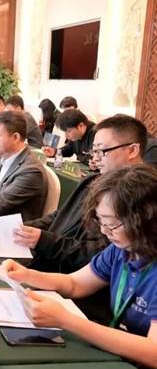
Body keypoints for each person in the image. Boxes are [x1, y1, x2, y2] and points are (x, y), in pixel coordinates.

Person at [1, 164, 157, 369]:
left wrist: (66, 320)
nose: (105, 231)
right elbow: (75, 284)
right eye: (101, 222)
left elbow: (153, 352)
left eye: (112, 224)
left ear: (146, 219)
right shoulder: (122, 249)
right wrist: (27, 275)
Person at [15, 114, 150, 274]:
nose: (95, 158)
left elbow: (102, 256)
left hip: (73, 274)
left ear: (132, 150)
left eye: (102, 151)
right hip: (47, 260)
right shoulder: (91, 181)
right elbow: (60, 215)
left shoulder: (142, 197)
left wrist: (45, 241)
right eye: (94, 151)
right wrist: (24, 228)